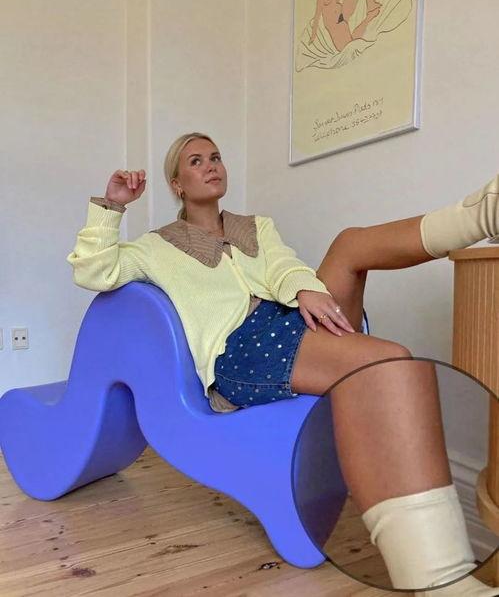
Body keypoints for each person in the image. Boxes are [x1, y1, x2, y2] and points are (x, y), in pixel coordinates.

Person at [67, 132, 498, 595]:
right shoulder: (156, 247)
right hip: (241, 351)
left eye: (216, 156)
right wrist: (112, 207)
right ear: (177, 184)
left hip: (289, 318)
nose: (211, 165)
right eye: (196, 161)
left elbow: (283, 266)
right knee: (388, 361)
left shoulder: (257, 227)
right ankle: (442, 584)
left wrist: (305, 288)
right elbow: (95, 270)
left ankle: (485, 211)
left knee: (349, 245)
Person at [309, 0, 382, 51]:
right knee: (351, 42)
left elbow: (336, 1)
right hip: (339, 21)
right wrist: (313, 34)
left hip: (341, 16)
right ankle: (370, 13)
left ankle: (371, 4)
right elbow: (317, 12)